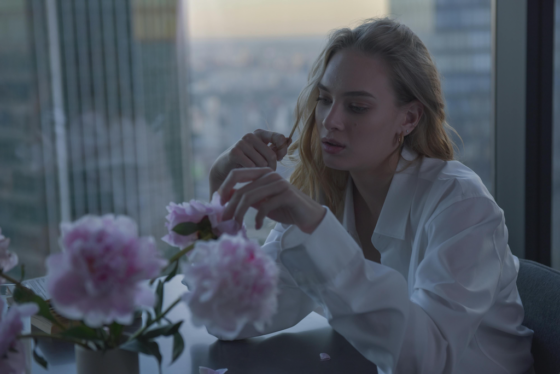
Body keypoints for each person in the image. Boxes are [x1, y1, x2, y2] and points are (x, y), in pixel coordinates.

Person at [207, 18, 534, 374]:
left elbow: (427, 361)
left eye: (357, 107)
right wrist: (220, 191)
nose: (330, 120)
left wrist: (318, 232)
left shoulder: (462, 206)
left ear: (408, 119)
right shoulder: (326, 194)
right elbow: (228, 317)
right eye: (325, 99)